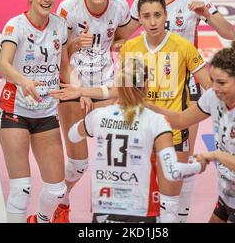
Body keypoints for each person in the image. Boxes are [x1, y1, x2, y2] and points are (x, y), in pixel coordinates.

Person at [51, 0, 212, 222]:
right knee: (138, 205)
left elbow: (209, 87)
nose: (153, 21)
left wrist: (191, 116)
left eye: (157, 15)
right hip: (140, 135)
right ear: (141, 19)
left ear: (166, 15)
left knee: (170, 206)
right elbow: (121, 91)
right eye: (146, 16)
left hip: (173, 134)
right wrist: (83, 91)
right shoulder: (131, 49)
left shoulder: (184, 47)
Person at [115, 0, 235, 222]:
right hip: (147, 86)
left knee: (182, 155)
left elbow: (230, 33)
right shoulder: (145, 1)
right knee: (145, 152)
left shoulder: (194, 0)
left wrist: (206, 13)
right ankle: (146, 212)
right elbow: (121, 34)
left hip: (185, 85)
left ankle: (178, 216)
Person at [146, 37, 235, 223]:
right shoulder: (213, 97)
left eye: (222, 83)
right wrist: (142, 105)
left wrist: (216, 156)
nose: (214, 88)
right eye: (213, 81)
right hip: (227, 197)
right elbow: (180, 120)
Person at [68, 57, 206, 223]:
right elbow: (172, 172)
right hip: (141, 209)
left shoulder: (98, 117)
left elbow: (72, 135)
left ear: (117, 86)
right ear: (146, 85)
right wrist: (199, 165)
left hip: (105, 207)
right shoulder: (156, 121)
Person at [52, 0, 135, 222]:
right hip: (72, 84)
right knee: (78, 164)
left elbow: (120, 38)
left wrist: (121, 47)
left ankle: (106, 213)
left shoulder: (120, 7)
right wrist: (77, 87)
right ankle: (61, 202)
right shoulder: (68, 9)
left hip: (104, 85)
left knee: (110, 159)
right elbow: (60, 53)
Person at [0, 0, 72, 223]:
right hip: (14, 111)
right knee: (21, 190)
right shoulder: (15, 25)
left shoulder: (60, 26)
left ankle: (39, 220)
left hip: (46, 113)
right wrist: (24, 81)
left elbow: (64, 68)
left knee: (57, 190)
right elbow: (4, 65)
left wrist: (80, 90)